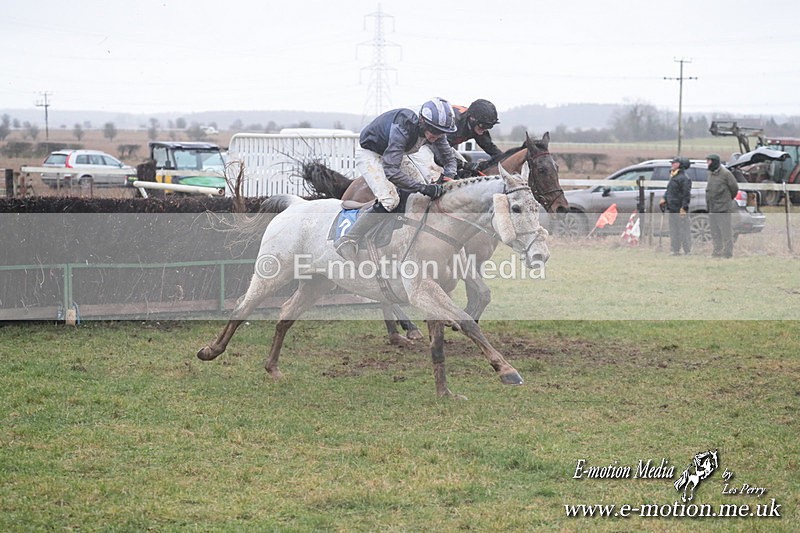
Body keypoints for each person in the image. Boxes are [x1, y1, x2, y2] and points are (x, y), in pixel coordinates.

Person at [334, 97, 458, 261]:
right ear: (422, 121)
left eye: (441, 132)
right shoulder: (404, 126)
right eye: (434, 131)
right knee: (390, 200)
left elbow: (450, 159)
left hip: (395, 154)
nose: (437, 136)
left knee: (424, 193)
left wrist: (448, 178)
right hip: (371, 154)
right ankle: (349, 238)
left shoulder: (437, 130)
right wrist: (422, 187)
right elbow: (391, 171)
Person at [447, 99, 503, 176]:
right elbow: (439, 151)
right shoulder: (454, 123)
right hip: (429, 143)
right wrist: (464, 165)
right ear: (472, 119)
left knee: (465, 170)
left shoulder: (477, 125)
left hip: (445, 146)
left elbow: (493, 151)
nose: (485, 129)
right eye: (483, 125)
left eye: (490, 126)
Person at [705, 153, 739, 258]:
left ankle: (727, 253)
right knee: (715, 233)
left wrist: (726, 200)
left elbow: (734, 188)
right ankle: (717, 252)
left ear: (714, 162)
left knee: (726, 233)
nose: (707, 163)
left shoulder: (726, 174)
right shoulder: (710, 174)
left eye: (709, 161)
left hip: (723, 209)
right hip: (712, 208)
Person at [659, 156, 692, 255]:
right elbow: (670, 190)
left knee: (683, 231)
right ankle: (675, 250)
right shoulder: (673, 176)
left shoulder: (684, 178)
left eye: (675, 163)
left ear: (680, 165)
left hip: (679, 208)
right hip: (672, 208)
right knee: (674, 231)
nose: (672, 164)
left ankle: (687, 251)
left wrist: (684, 207)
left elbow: (686, 194)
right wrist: (664, 198)